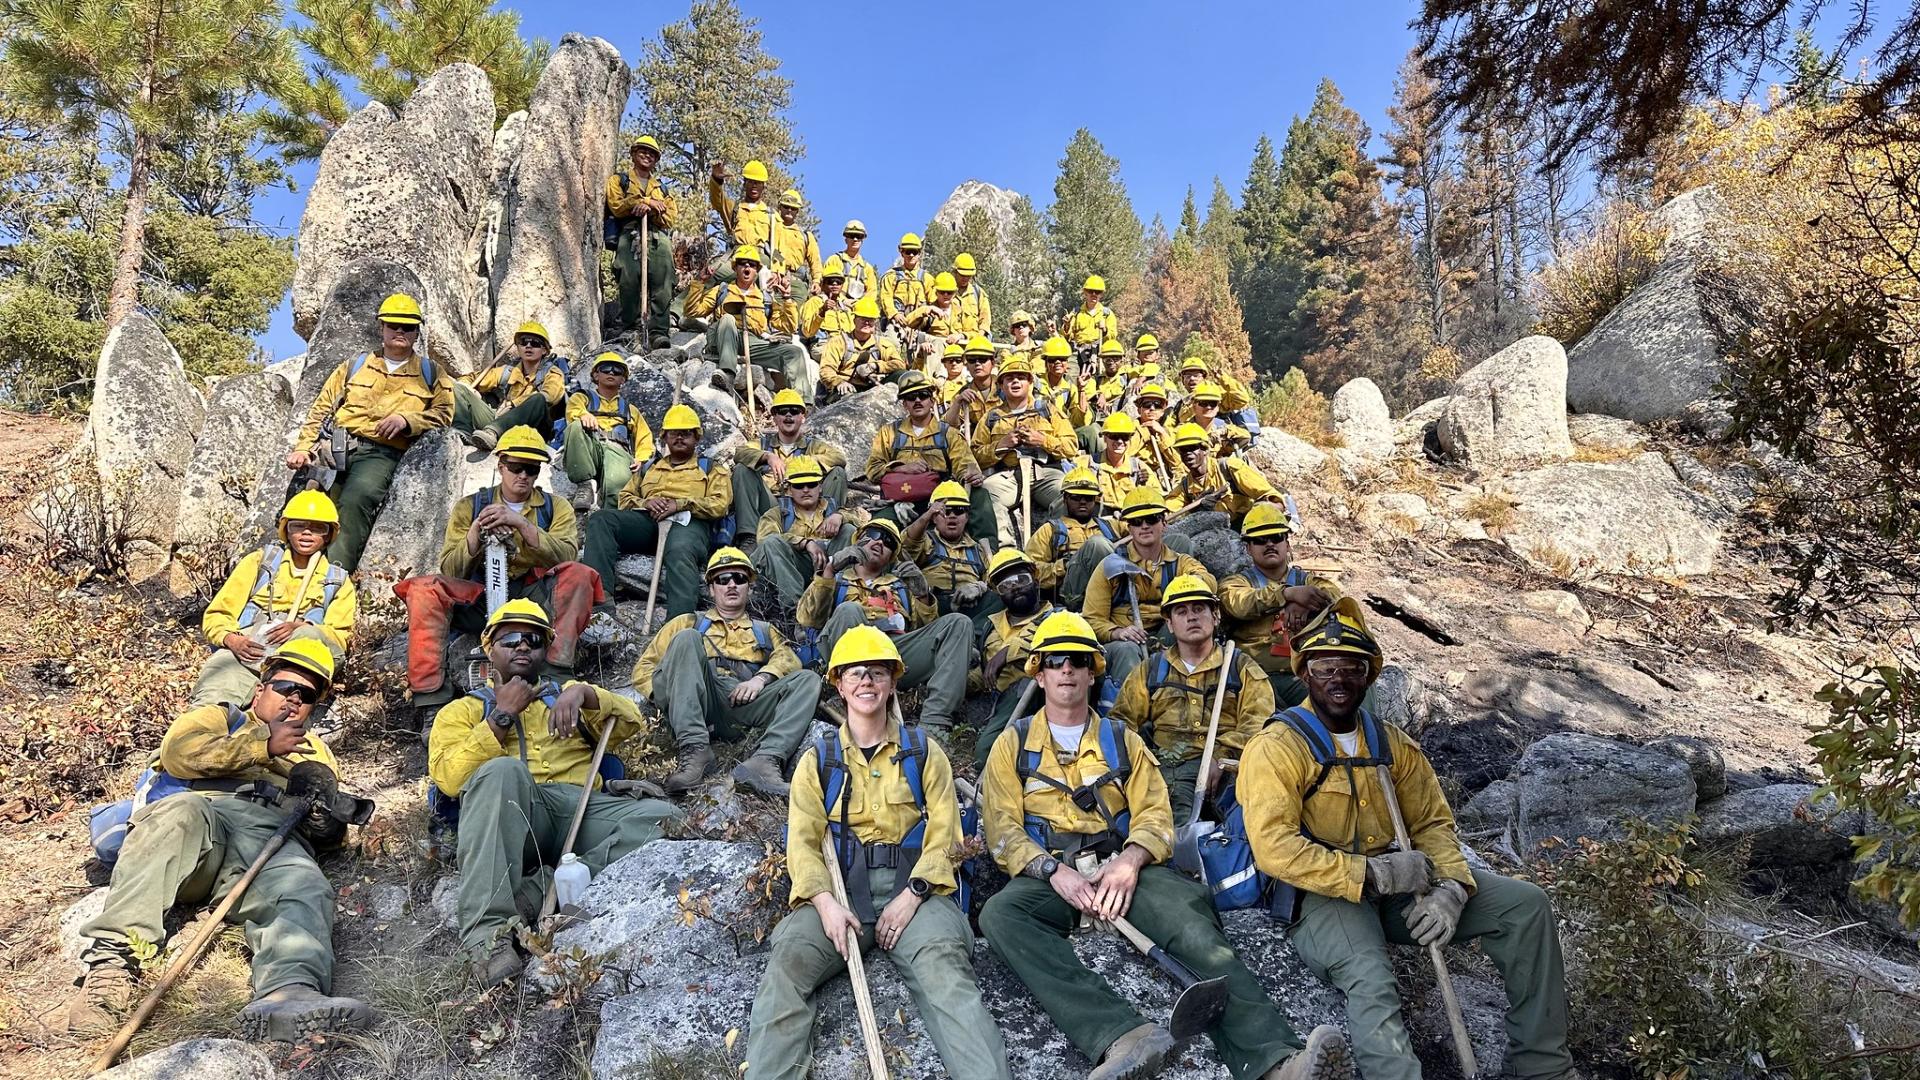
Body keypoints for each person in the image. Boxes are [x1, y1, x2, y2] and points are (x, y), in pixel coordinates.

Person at [977, 612, 1349, 1080]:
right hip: (1055, 878)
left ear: (1093, 670)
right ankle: (1123, 1037)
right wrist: (1054, 872)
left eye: (1076, 660)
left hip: (1126, 871)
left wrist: (1130, 863)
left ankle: (1277, 1061)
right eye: (1055, 660)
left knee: (1194, 930)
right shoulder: (1011, 745)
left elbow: (1155, 816)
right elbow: (1003, 829)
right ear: (1039, 671)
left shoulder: (1122, 739)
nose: (1066, 670)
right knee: (1001, 916)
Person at [1240, 598, 1574, 1080]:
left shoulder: (1392, 743)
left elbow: (1433, 826)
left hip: (1403, 888)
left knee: (1526, 906)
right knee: (1372, 978)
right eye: (1324, 666)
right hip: (1322, 895)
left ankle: (1543, 1066)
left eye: (1351, 668)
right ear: (1305, 673)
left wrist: (1452, 892)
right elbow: (1274, 848)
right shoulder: (1276, 747)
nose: (1338, 678)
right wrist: (1370, 872)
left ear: (1369, 676)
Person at [68, 640, 378, 1041]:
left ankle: (290, 994)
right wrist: (262, 747)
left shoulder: (314, 749)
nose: (295, 701)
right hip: (202, 820)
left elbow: (325, 829)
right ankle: (110, 972)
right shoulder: (219, 717)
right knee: (178, 814)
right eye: (286, 688)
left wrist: (326, 822)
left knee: (303, 882)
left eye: (308, 697)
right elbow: (179, 753)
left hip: (268, 834)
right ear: (259, 690)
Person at [745, 627, 1012, 1080]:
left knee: (946, 977)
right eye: (856, 673)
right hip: (841, 893)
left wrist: (914, 894)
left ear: (892, 683)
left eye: (878, 673)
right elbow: (803, 842)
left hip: (917, 894)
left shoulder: (924, 752)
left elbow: (945, 834)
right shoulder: (819, 760)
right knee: (788, 960)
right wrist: (824, 903)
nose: (867, 682)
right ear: (839, 683)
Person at [428, 599, 682, 985]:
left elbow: (632, 723)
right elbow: (448, 778)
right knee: (501, 770)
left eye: (532, 638)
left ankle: (540, 890)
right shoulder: (461, 712)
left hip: (578, 807)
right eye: (510, 638)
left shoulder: (568, 697)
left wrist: (588, 694)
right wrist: (501, 715)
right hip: (513, 814)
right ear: (488, 649)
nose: (522, 646)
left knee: (665, 817)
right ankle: (487, 939)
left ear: (545, 648)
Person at [393, 426, 601, 710]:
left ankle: (556, 676)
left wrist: (523, 526)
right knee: (424, 588)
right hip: (480, 596)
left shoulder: (556, 507)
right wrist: (476, 533)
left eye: (531, 469)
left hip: (532, 597)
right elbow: (451, 568)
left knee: (580, 575)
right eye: (517, 467)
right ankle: (431, 700)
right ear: (501, 466)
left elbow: (567, 555)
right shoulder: (470, 506)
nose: (524, 476)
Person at [633, 548, 824, 797]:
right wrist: (672, 698)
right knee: (687, 640)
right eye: (722, 579)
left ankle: (765, 760)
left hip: (743, 705)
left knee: (808, 679)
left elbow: (788, 659)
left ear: (749, 587)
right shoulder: (687, 623)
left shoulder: (764, 631)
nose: (731, 585)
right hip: (699, 704)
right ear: (712, 589)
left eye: (739, 578)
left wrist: (760, 679)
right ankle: (695, 750)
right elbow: (643, 670)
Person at [286, 292, 452, 572]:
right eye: (393, 325)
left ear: (417, 332)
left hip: (380, 453)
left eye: (408, 327)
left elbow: (444, 414)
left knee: (355, 502)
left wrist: (407, 420)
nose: (400, 331)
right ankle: (291, 579)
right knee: (309, 508)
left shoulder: (432, 372)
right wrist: (304, 446)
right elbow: (322, 406)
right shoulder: (355, 366)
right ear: (381, 328)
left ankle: (333, 580)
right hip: (336, 445)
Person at [1108, 575, 1274, 821]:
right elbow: (1121, 722)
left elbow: (1259, 722)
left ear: (1215, 616)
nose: (1192, 617)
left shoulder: (1239, 667)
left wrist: (1222, 756)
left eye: (1199, 609)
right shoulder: (1151, 670)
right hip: (1170, 770)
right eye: (1181, 611)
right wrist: (1141, 764)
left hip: (1230, 768)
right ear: (1170, 624)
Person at [796, 519, 974, 737]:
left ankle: (934, 724)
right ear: (857, 542)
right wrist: (830, 569)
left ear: (892, 556)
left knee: (959, 623)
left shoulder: (902, 585)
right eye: (871, 535)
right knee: (849, 610)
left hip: (893, 651)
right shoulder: (838, 578)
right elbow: (808, 619)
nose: (879, 543)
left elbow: (928, 633)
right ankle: (853, 690)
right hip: (845, 651)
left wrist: (923, 595)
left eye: (888, 541)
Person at [193, 491, 355, 708]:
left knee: (308, 636)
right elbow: (217, 616)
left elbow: (340, 638)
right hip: (249, 652)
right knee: (210, 707)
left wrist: (301, 628)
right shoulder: (259, 563)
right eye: (298, 525)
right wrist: (234, 641)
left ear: (328, 535)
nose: (306, 533)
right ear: (286, 530)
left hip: (301, 661)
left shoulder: (338, 581)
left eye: (318, 528)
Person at [581, 404, 732, 622]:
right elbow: (624, 498)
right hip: (648, 521)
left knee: (679, 550)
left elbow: (720, 504)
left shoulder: (710, 467)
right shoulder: (648, 467)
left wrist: (679, 504)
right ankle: (599, 603)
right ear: (664, 437)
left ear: (696, 437)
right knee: (601, 520)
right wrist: (647, 502)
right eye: (673, 433)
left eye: (686, 433)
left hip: (689, 524)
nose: (679, 438)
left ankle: (679, 626)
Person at [1082, 487, 1213, 692]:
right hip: (1123, 642)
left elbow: (1206, 581)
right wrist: (1118, 632)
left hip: (1163, 633)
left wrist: (1188, 586)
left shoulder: (1180, 562)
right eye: (1136, 522)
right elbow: (1091, 619)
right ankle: (1132, 712)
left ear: (1164, 523)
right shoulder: (1110, 566)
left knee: (1188, 631)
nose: (1144, 526)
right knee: (1127, 651)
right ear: (1130, 528)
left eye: (1151, 519)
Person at [1219, 503, 1336, 702]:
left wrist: (1304, 601)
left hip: (1303, 674)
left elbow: (1335, 597)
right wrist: (1287, 594)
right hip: (1253, 678)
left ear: (1287, 544)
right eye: (1260, 540)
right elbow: (1238, 604)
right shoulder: (1236, 582)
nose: (1270, 544)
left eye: (1276, 538)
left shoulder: (1307, 583)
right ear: (1248, 548)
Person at [865, 371, 992, 535]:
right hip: (899, 501)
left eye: (923, 395)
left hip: (941, 500)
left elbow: (964, 463)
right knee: (877, 533)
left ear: (932, 401)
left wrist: (971, 474)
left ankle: (987, 552)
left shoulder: (948, 434)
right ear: (904, 404)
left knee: (980, 493)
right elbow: (872, 471)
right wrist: (900, 468)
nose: (917, 400)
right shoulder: (889, 432)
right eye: (911, 397)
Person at [972, 355, 1080, 548]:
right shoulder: (992, 417)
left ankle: (1056, 546)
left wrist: (1043, 440)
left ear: (1030, 382)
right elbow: (975, 455)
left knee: (1068, 494)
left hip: (1045, 473)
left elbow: (1071, 445)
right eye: (1009, 378)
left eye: (1021, 377)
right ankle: (1006, 550)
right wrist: (1001, 445)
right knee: (985, 493)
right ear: (1001, 385)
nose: (1015, 381)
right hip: (1010, 476)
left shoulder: (1047, 410)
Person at [970, 549, 1063, 770]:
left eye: (1022, 579)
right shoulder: (989, 627)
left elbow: (1052, 640)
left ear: (1036, 579)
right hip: (1003, 702)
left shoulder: (1056, 617)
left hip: (1039, 693)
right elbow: (984, 674)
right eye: (1005, 585)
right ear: (998, 594)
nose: (1015, 587)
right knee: (984, 754)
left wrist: (1008, 653)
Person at [685, 245, 810, 404]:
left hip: (752, 341)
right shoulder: (722, 290)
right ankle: (727, 374)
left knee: (794, 352)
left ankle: (803, 404)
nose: (747, 267)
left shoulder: (764, 297)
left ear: (757, 270)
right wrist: (699, 283)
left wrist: (786, 298)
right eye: (742, 263)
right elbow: (692, 311)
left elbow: (789, 327)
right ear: (735, 267)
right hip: (723, 336)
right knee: (728, 319)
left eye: (752, 264)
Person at [730, 387, 849, 532]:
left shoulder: (813, 446)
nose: (788, 415)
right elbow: (740, 452)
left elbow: (839, 457)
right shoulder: (761, 444)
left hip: (807, 506)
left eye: (794, 411)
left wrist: (806, 463)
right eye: (782, 411)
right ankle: (749, 535)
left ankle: (829, 526)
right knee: (742, 470)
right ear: (774, 417)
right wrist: (767, 457)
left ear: (802, 416)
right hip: (771, 505)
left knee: (838, 472)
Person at [750, 454, 862, 607]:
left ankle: (844, 598)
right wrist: (805, 543)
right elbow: (766, 538)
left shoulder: (833, 509)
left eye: (811, 484)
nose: (805, 490)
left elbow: (864, 523)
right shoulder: (777, 514)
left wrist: (840, 516)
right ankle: (794, 611)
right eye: (798, 486)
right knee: (771, 543)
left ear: (820, 486)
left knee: (849, 530)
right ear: (789, 490)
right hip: (793, 570)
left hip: (831, 566)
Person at [900, 480, 998, 639]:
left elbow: (993, 582)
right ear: (933, 517)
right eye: (945, 511)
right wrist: (925, 517)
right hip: (933, 608)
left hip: (969, 608)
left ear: (967, 517)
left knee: (996, 600)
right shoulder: (926, 542)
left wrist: (979, 587)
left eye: (959, 510)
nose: (952, 515)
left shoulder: (979, 549)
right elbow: (906, 545)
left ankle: (974, 640)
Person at [562, 352, 655, 512]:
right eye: (606, 368)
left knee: (616, 494)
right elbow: (572, 411)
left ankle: (609, 516)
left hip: (617, 452)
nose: (611, 372)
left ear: (623, 379)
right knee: (575, 427)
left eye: (617, 370)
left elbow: (644, 437)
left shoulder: (629, 410)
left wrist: (641, 458)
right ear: (596, 375)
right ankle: (585, 484)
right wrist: (583, 415)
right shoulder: (583, 398)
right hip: (591, 450)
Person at [1023, 466, 1122, 611]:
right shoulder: (1051, 530)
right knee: (1097, 544)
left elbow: (1142, 531)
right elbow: (1031, 571)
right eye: (1076, 497)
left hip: (1112, 590)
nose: (1082, 502)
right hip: (1074, 595)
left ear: (1095, 500)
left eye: (1088, 498)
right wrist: (1064, 566)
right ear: (1064, 499)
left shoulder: (1111, 526)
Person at [607, 136, 675, 347]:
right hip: (629, 233)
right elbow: (616, 206)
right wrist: (644, 201)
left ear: (656, 160)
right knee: (628, 277)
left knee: (664, 280)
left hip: (656, 235)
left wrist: (652, 209)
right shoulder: (619, 180)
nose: (647, 155)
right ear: (633, 153)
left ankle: (658, 331)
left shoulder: (662, 188)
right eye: (643, 151)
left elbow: (670, 217)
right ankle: (631, 326)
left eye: (652, 153)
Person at [1170, 423, 1284, 528]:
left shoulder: (1229, 468)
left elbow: (1275, 500)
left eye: (1192, 448)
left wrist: (1259, 510)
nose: (1188, 454)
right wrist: (1195, 511)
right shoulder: (1185, 487)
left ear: (1204, 449)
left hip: (1247, 527)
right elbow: (1167, 515)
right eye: (1183, 450)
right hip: (1215, 535)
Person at [817, 296, 905, 397]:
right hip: (847, 387)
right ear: (854, 320)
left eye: (871, 320)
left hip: (872, 386)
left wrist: (876, 366)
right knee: (847, 395)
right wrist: (839, 382)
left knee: (902, 375)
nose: (867, 322)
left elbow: (899, 364)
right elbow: (826, 370)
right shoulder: (838, 342)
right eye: (863, 319)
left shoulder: (881, 343)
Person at [709, 159, 780, 269]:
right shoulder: (734, 208)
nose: (754, 186)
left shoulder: (771, 214)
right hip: (737, 256)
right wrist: (716, 179)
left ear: (764, 186)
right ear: (744, 184)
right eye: (750, 181)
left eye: (758, 182)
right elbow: (717, 201)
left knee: (770, 280)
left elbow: (777, 247)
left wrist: (780, 269)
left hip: (761, 257)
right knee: (708, 276)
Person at [770, 188, 823, 304]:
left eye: (793, 208)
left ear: (797, 211)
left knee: (796, 316)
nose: (789, 210)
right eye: (786, 207)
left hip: (796, 282)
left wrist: (816, 281)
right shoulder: (771, 228)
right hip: (773, 279)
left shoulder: (805, 235)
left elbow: (815, 261)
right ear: (780, 207)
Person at [942, 336, 1000, 436]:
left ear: (993, 363)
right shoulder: (962, 394)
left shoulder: (1005, 388)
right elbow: (947, 426)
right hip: (975, 447)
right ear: (967, 365)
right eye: (972, 360)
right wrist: (958, 402)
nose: (977, 364)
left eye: (982, 359)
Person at [1092, 412, 1151, 511]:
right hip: (1099, 521)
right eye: (1114, 436)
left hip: (1132, 521)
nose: (1120, 441)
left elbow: (1156, 498)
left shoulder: (1139, 467)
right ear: (1105, 438)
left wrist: (1145, 487)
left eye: (1124, 437)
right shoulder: (1089, 464)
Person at [799, 256, 853, 352]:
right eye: (830, 281)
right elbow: (807, 332)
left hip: (845, 345)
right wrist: (822, 311)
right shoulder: (814, 302)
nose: (835, 284)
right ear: (822, 285)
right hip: (823, 345)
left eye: (839, 282)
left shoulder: (845, 308)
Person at [879, 232, 931, 332]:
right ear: (901, 252)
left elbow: (934, 302)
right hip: (896, 324)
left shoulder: (927, 278)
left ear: (919, 253)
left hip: (921, 327)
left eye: (914, 252)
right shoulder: (891, 276)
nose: (911, 255)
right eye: (907, 251)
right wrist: (894, 314)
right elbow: (886, 298)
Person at [1179, 383, 1253, 453]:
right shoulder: (1183, 430)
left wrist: (1222, 432)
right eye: (1203, 403)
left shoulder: (1220, 427)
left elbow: (1246, 436)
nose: (1208, 407)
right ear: (1194, 407)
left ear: (1217, 408)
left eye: (1213, 403)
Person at [905, 270, 966, 351]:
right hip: (934, 352)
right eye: (942, 292)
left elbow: (974, 333)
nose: (946, 295)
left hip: (956, 354)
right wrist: (926, 309)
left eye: (949, 292)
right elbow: (907, 323)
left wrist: (960, 336)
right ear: (936, 292)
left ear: (955, 293)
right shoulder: (928, 311)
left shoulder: (961, 310)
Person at [1064, 275, 1120, 358]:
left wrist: (1105, 330)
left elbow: (1113, 336)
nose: (1094, 294)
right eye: (1090, 291)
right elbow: (1067, 337)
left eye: (1097, 292)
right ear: (1085, 293)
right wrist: (1067, 325)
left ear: (1101, 294)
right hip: (1079, 355)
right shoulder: (1076, 313)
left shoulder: (1107, 314)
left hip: (1099, 355)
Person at [831, 219, 880, 302]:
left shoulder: (867, 268)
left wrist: (861, 305)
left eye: (859, 236)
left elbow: (872, 292)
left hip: (860, 310)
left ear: (862, 240)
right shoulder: (834, 260)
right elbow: (827, 286)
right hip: (836, 306)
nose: (855, 239)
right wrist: (842, 301)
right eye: (851, 236)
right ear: (845, 239)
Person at [952, 252, 992, 335]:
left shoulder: (978, 293)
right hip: (950, 343)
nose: (965, 278)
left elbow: (985, 321)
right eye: (962, 275)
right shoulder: (945, 292)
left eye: (968, 275)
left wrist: (978, 339)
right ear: (955, 272)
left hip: (972, 342)